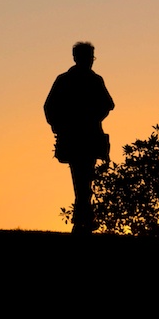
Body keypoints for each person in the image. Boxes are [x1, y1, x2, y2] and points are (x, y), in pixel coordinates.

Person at [43, 41, 115, 234]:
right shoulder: (80, 80)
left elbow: (108, 105)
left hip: (81, 136)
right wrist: (59, 126)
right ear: (77, 58)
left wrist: (59, 126)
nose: (90, 61)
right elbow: (108, 105)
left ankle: (82, 219)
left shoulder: (70, 79)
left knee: (82, 179)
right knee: (83, 180)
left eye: (92, 57)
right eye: (88, 57)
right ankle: (83, 219)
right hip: (81, 136)